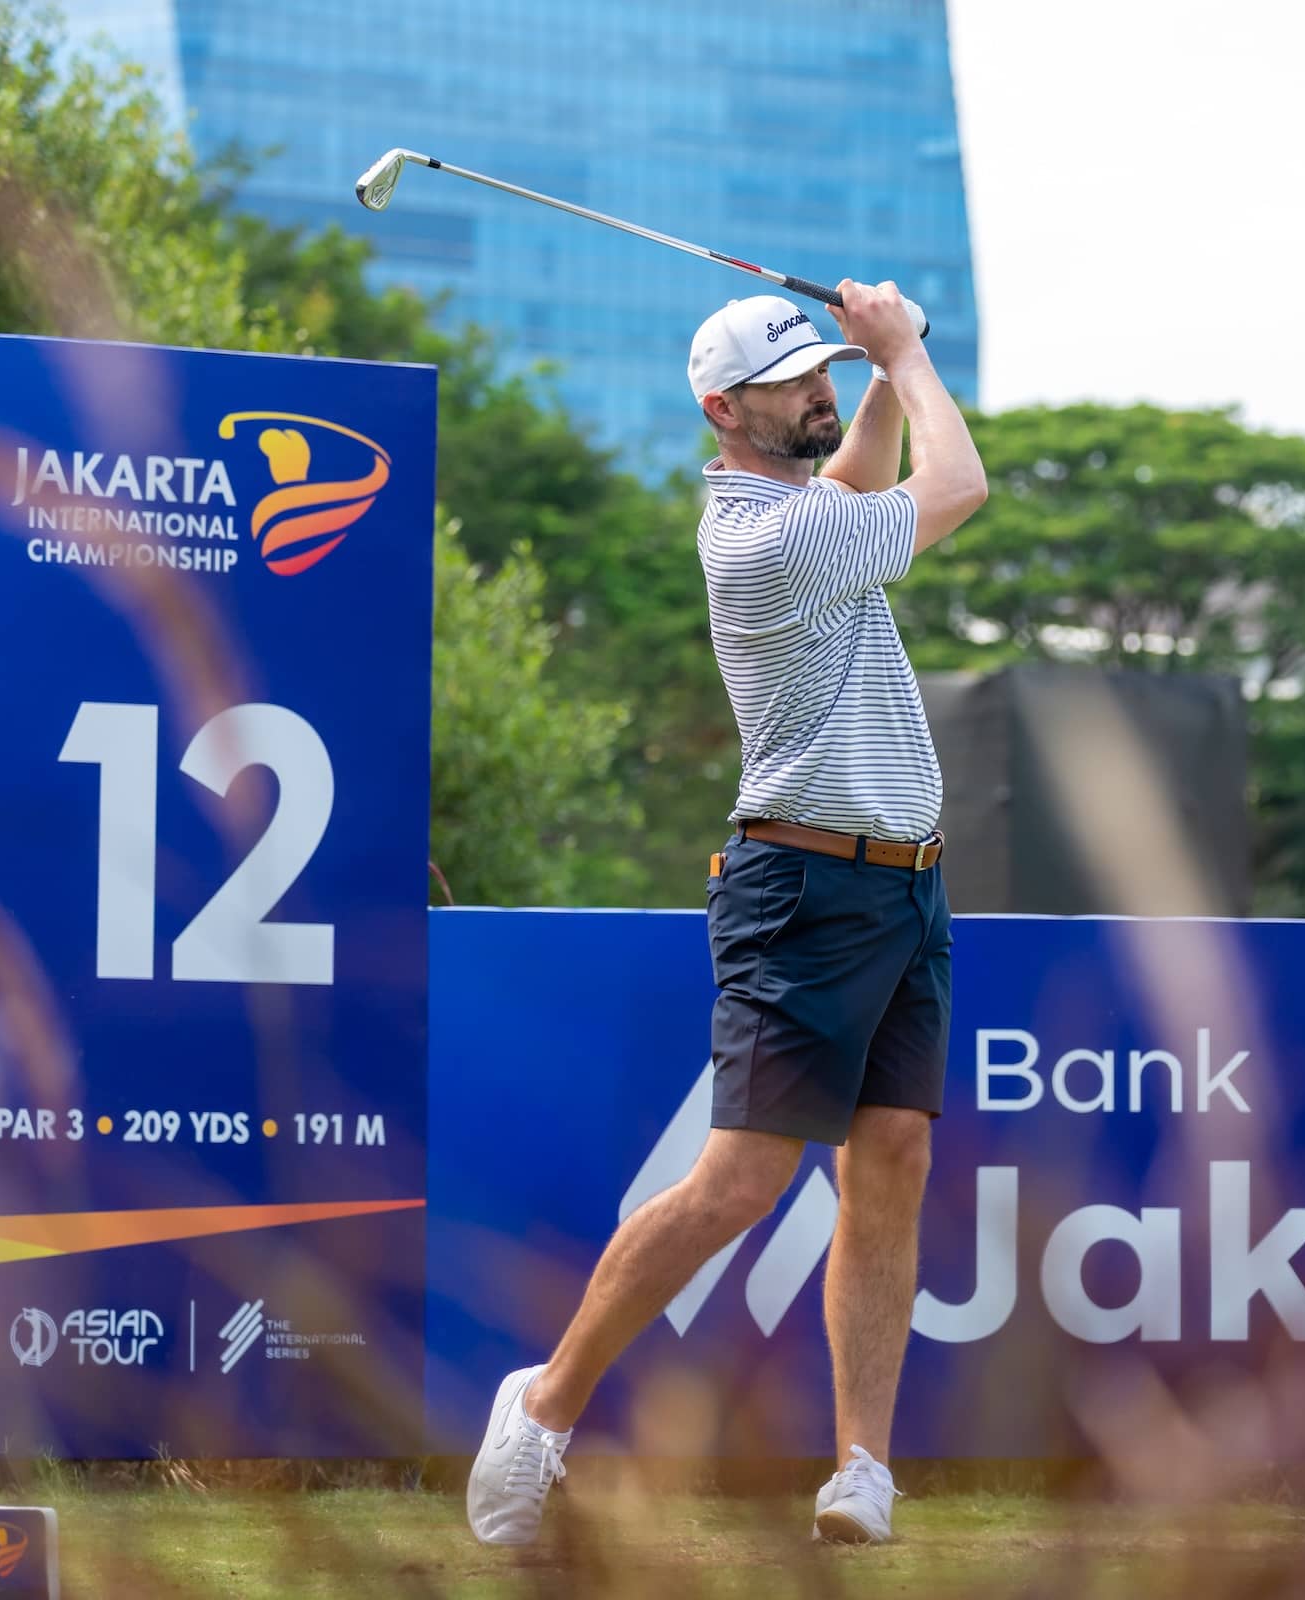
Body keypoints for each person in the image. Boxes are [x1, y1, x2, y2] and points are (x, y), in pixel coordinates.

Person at [465, 280, 987, 1548]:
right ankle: (541, 1407)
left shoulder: (809, 511)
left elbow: (861, 476)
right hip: (801, 886)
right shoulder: (762, 543)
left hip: (905, 882)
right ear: (722, 412)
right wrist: (907, 355)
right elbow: (956, 486)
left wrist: (874, 370)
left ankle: (861, 1467)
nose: (815, 392)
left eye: (820, 372)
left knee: (892, 1161)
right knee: (741, 1180)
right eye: (788, 384)